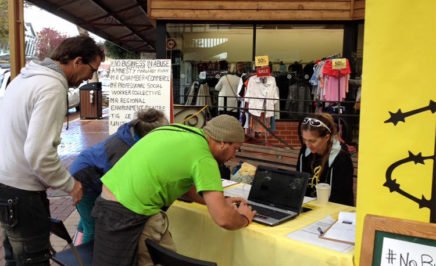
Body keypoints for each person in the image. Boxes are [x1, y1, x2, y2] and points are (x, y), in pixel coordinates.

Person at [92, 114, 256, 266]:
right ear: (222, 143)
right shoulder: (204, 158)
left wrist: (219, 201)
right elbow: (224, 219)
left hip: (108, 199)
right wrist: (244, 218)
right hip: (128, 211)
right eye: (236, 148)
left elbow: (185, 187)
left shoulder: (175, 130)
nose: (234, 156)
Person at [0, 35, 104, 265]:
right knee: (33, 260)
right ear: (78, 61)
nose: (90, 77)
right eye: (92, 69)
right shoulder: (52, 87)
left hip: (6, 187)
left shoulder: (25, 78)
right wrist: (71, 185)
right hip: (23, 194)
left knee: (14, 259)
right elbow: (39, 153)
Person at [70, 108, 169, 244]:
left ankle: (76, 249)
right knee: (92, 228)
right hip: (84, 179)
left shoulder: (132, 134)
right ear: (151, 135)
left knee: (86, 219)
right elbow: (117, 186)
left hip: (87, 171)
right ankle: (85, 259)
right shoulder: (123, 150)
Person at [296, 113, 354, 206]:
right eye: (304, 140)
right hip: (308, 207)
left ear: (327, 137)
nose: (307, 145)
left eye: (312, 141)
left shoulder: (341, 157)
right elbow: (298, 184)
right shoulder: (305, 152)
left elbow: (341, 198)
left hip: (332, 210)